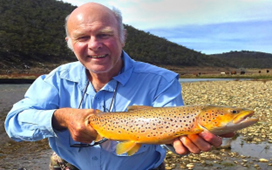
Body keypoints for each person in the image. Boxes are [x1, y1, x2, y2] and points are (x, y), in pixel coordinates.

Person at [5, 2, 234, 170]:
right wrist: (60, 117)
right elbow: (14, 123)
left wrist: (185, 141)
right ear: (70, 44)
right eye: (82, 37)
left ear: (123, 36)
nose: (94, 45)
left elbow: (175, 136)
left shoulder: (161, 80)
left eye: (104, 34)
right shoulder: (56, 79)